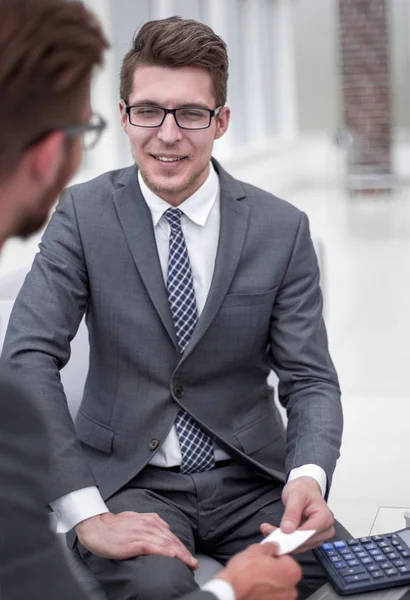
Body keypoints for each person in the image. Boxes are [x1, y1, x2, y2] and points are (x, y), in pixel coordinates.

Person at [2, 12, 347, 600]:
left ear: (221, 121)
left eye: (190, 113)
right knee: (156, 589)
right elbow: (27, 357)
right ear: (124, 115)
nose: (167, 134)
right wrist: (87, 513)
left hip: (251, 479)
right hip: (131, 480)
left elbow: (310, 377)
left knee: (337, 569)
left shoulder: (281, 228)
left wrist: (308, 476)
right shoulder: (82, 215)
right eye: (148, 111)